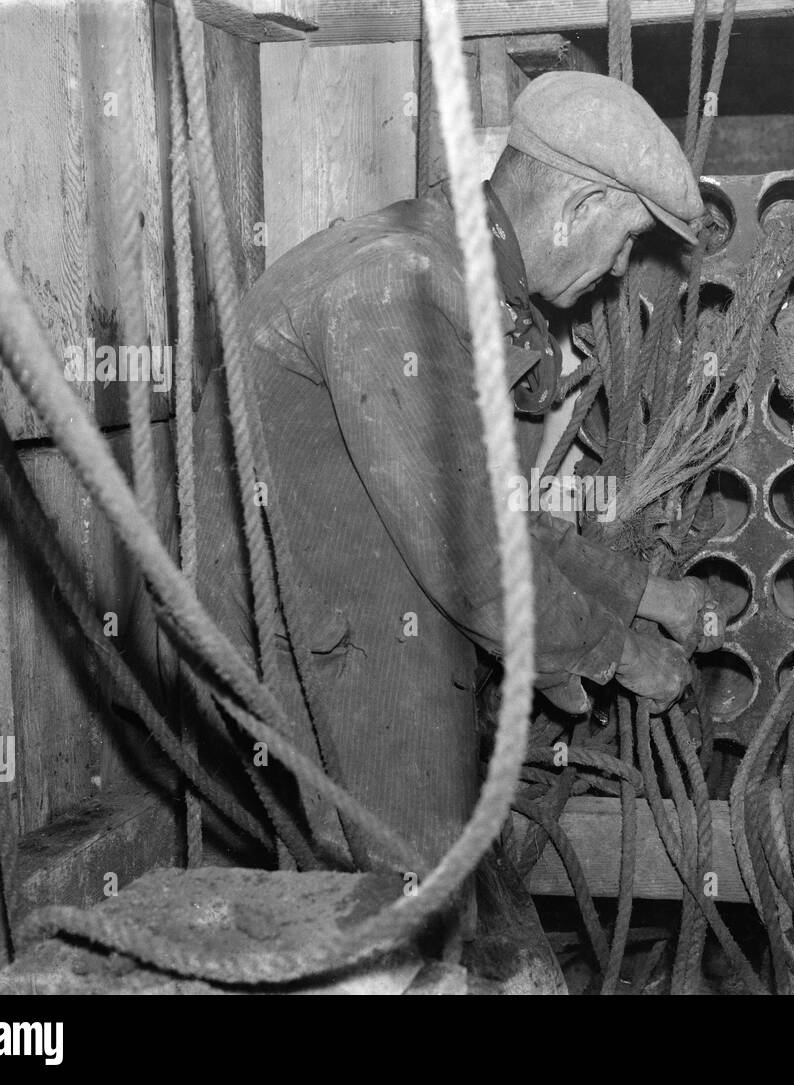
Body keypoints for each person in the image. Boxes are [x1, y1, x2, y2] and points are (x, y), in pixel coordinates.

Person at [191, 72, 717, 867]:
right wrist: (623, 655)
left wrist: (646, 595)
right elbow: (470, 553)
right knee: (406, 914)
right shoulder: (399, 284)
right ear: (580, 211)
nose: (618, 272)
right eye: (627, 242)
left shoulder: (439, 262)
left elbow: (488, 506)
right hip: (325, 657)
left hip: (348, 622)